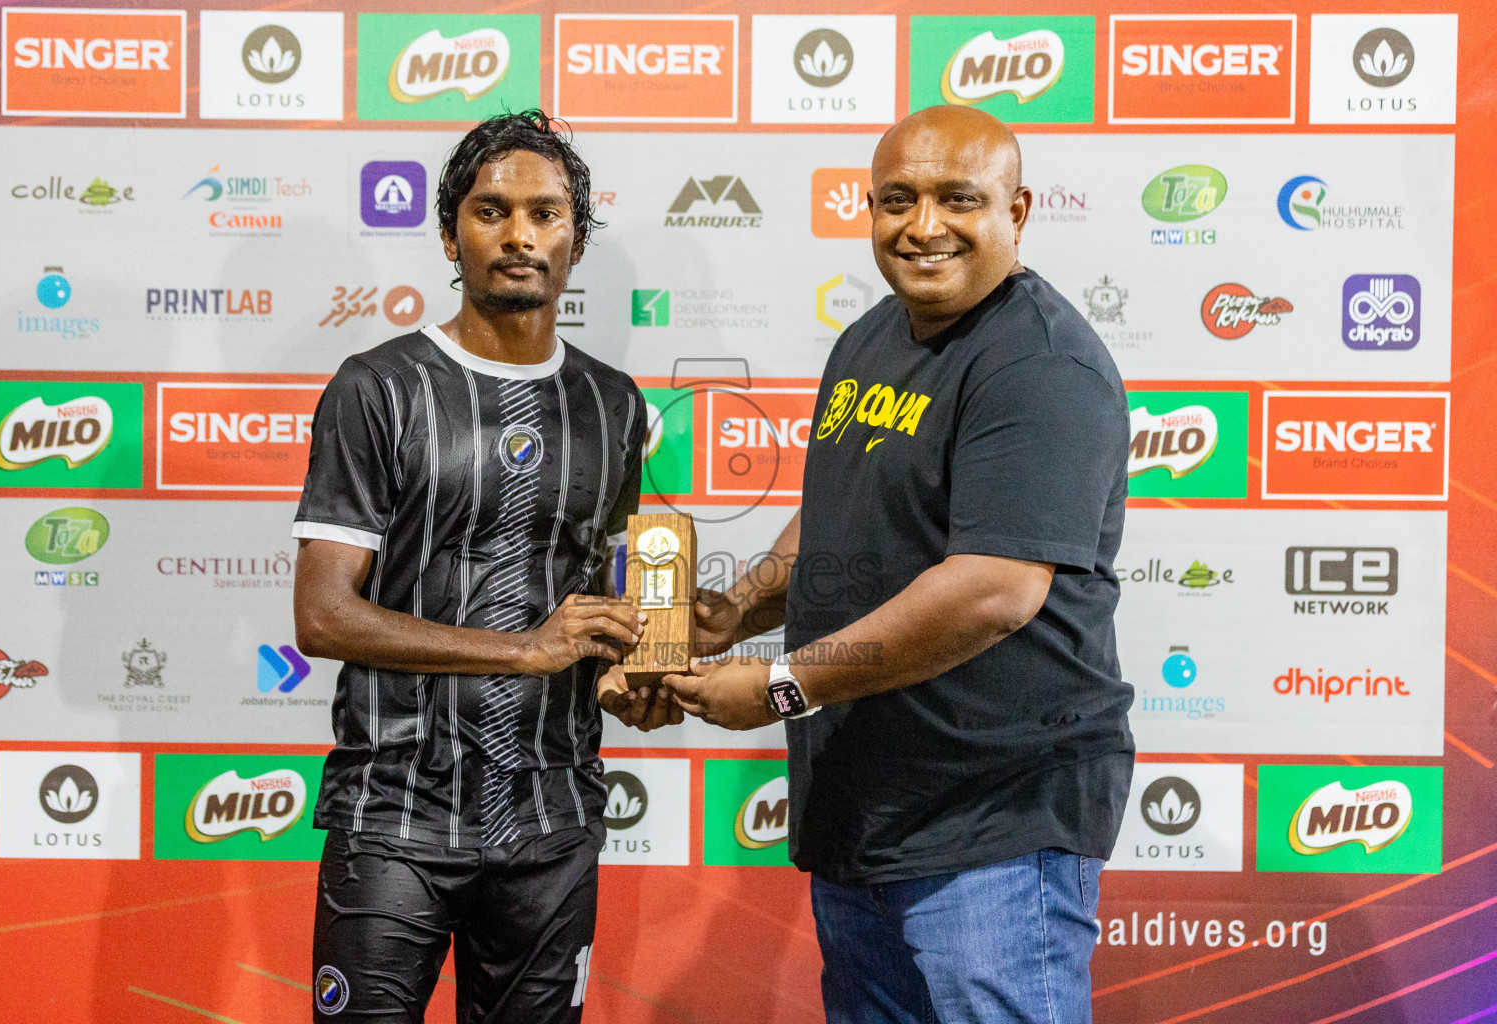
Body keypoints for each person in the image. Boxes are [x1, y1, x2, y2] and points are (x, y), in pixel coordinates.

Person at [667, 106, 1135, 1024]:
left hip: (995, 824)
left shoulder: (1039, 364)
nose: (924, 226)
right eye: (898, 200)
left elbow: (994, 590)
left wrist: (782, 686)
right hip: (869, 816)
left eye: (959, 199)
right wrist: (737, 610)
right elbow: (845, 513)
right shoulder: (872, 335)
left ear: (1019, 210)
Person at [291, 110, 677, 1024]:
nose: (518, 236)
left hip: (553, 816)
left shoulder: (616, 406)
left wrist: (637, 670)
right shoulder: (378, 387)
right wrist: (524, 652)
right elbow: (322, 616)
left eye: (546, 214)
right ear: (448, 231)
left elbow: (605, 597)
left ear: (577, 239)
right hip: (394, 815)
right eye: (491, 210)